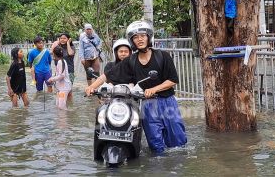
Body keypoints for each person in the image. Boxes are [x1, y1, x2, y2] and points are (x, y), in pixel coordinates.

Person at [85, 20, 187, 153]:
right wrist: (91, 86)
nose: (140, 39)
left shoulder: (163, 56)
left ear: (149, 37)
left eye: (143, 36)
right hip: (147, 105)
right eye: (136, 37)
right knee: (155, 144)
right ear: (132, 41)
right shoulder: (130, 61)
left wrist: (154, 89)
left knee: (177, 142)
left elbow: (173, 80)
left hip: (167, 102)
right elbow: (108, 74)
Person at [48, 46, 72, 110]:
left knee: (61, 106)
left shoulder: (60, 62)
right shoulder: (62, 61)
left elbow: (62, 75)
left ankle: (63, 119)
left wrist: (51, 79)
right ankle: (60, 119)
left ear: (54, 54)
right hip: (61, 88)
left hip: (64, 88)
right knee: (58, 104)